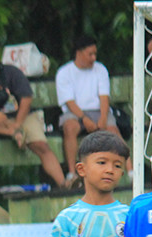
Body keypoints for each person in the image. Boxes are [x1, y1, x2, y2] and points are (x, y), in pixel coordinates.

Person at [0, 44, 66, 189]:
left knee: (42, 146)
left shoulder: (11, 72)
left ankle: (64, 184)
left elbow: (26, 98)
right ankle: (14, 134)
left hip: (22, 117)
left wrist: (18, 123)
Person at [55, 35, 125, 186]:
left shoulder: (100, 69)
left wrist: (103, 118)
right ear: (79, 53)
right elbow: (69, 102)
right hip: (74, 112)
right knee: (70, 128)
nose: (93, 58)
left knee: (113, 130)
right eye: (90, 54)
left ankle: (130, 172)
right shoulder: (64, 72)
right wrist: (84, 119)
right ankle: (72, 174)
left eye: (95, 54)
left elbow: (104, 97)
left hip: (99, 111)